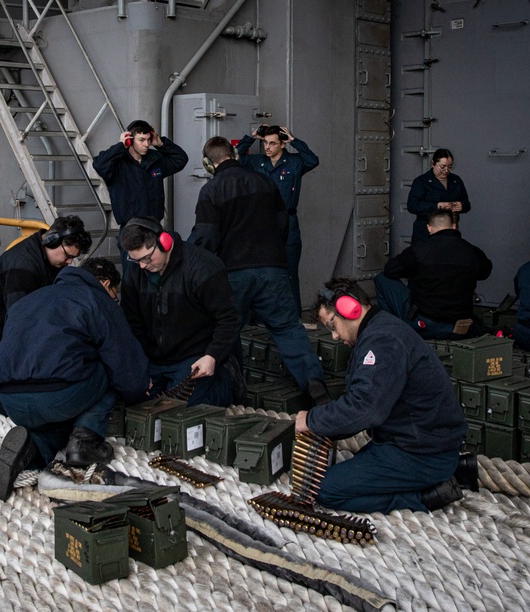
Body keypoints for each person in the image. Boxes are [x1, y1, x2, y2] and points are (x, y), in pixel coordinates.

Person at [294, 279, 473, 513]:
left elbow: (365, 409)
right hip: (411, 442)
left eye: (332, 325)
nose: (335, 336)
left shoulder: (382, 341)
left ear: (350, 308)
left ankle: (425, 495)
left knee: (322, 490)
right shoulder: (379, 331)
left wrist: (311, 420)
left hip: (422, 453)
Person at [0, 259, 150, 501]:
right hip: (59, 395)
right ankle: (85, 442)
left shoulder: (31, 298)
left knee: (59, 418)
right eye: (114, 295)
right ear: (105, 284)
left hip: (11, 401)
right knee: (109, 369)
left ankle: (32, 446)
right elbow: (124, 364)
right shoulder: (97, 299)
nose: (113, 300)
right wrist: (139, 392)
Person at [189, 136, 328, 402]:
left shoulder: (211, 190)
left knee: (226, 331)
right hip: (272, 269)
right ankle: (314, 385)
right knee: (288, 328)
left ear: (208, 163)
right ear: (235, 154)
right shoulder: (265, 182)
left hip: (233, 274)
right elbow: (282, 223)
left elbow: (206, 238)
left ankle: (234, 393)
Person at [0, 216, 93, 414]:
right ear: (51, 240)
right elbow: (20, 324)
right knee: (12, 404)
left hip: (16, 335)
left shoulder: (50, 261)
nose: (69, 263)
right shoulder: (23, 266)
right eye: (67, 256)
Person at [120, 217, 241, 407]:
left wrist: (213, 356)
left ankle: (224, 382)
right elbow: (133, 322)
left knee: (181, 409)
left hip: (194, 356)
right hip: (153, 358)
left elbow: (229, 317)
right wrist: (139, 364)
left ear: (164, 242)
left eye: (146, 258)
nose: (142, 265)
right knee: (136, 403)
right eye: (135, 260)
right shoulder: (135, 272)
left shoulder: (203, 267)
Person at [236, 124, 320, 313]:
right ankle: (262, 315)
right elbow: (237, 158)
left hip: (288, 222)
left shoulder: (294, 162)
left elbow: (313, 160)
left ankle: (294, 315)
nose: (267, 147)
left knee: (289, 271)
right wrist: (251, 138)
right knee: (262, 269)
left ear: (282, 144)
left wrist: (294, 141)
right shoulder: (258, 162)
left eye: (272, 143)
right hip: (263, 222)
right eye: (265, 143)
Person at [375, 209, 492, 339]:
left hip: (425, 324)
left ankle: (391, 332)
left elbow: (390, 270)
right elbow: (485, 272)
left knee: (382, 279)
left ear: (429, 228)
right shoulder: (473, 252)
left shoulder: (420, 250)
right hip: (460, 327)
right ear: (454, 226)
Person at [92, 120, 188, 267]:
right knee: (132, 274)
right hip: (131, 228)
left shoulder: (154, 161)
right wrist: (120, 146)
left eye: (148, 139)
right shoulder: (117, 164)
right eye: (141, 140)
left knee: (156, 268)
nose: (146, 144)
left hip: (154, 226)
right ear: (130, 140)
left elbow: (181, 159)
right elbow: (99, 165)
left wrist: (160, 143)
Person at [406, 148, 470, 245]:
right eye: (442, 167)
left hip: (450, 229)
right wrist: (437, 206)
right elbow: (412, 205)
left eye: (450, 167)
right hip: (426, 230)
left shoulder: (456, 180)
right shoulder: (421, 181)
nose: (446, 170)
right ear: (433, 163)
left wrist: (461, 206)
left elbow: (467, 203)